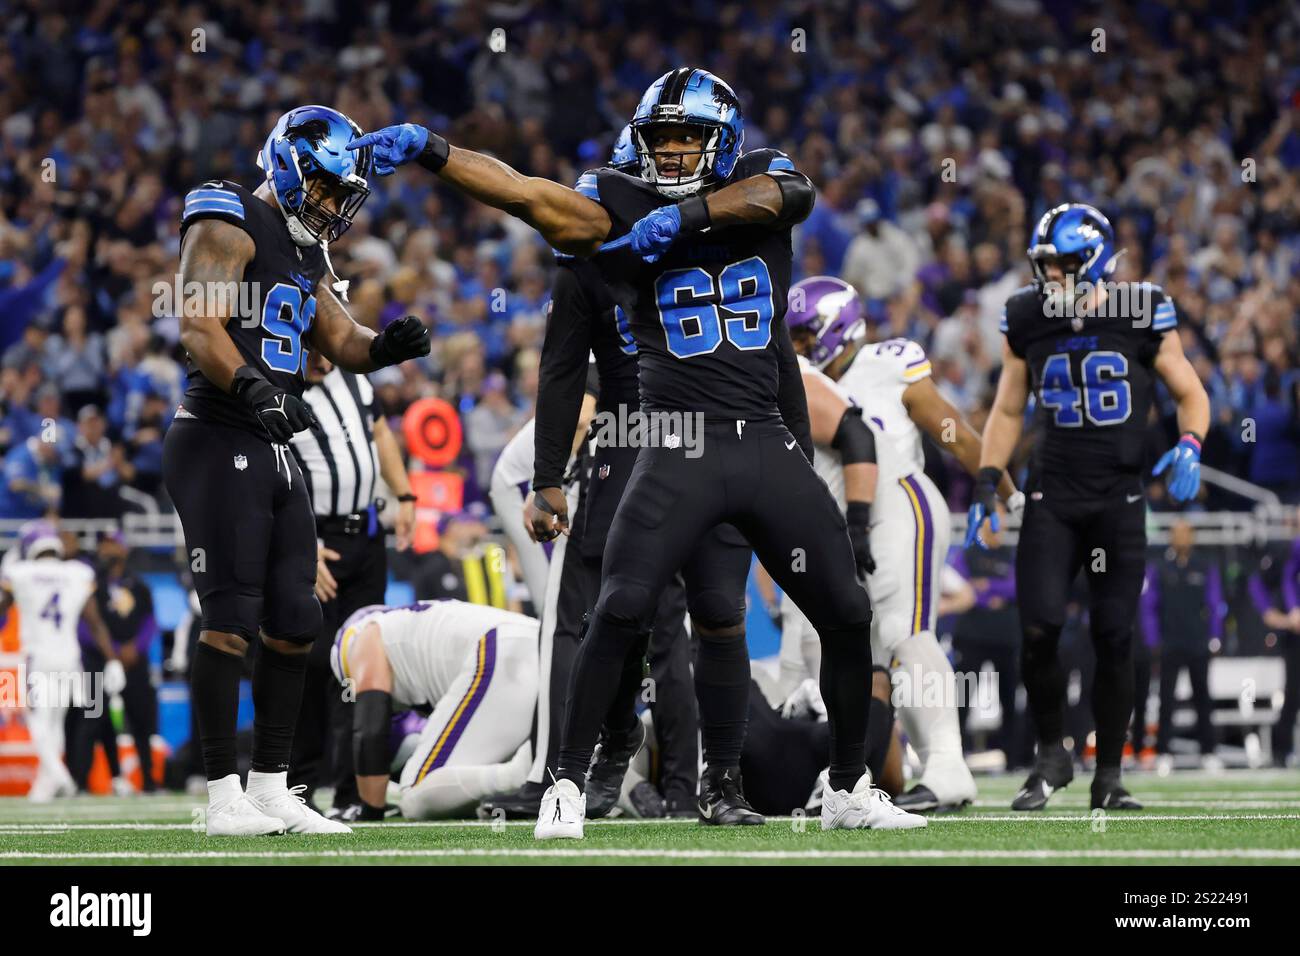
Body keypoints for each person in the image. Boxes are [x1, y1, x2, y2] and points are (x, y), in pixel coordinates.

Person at [350, 66, 925, 836]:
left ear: (722, 142)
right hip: (672, 442)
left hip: (762, 438)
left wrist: (685, 221)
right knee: (617, 609)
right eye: (663, 139)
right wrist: (434, 150)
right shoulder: (617, 200)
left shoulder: (760, 179)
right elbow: (527, 194)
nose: (675, 153)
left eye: (689, 138)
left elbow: (795, 195)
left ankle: (849, 788)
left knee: (847, 614)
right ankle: (564, 783)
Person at [162, 105, 430, 837]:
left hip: (273, 438)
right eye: (322, 185)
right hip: (218, 435)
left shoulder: (307, 251)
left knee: (295, 621)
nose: (331, 204)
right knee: (230, 620)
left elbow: (338, 337)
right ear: (286, 165)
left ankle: (274, 786)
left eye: (342, 192)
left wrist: (385, 348)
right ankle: (222, 799)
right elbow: (196, 321)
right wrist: (251, 386)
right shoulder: (228, 214)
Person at [967, 202, 1211, 810]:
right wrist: (985, 480)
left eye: (1061, 266)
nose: (1050, 278)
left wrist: (1190, 443)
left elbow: (1189, 390)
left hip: (1118, 497)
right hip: (1052, 493)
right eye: (1044, 266)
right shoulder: (1027, 316)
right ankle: (1052, 753)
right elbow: (1005, 407)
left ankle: (1109, 776)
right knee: (1039, 627)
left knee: (1113, 634)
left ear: (1095, 262)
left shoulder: (1141, 308)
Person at [784, 274, 1022, 811]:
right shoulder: (793, 379)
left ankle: (947, 765)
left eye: (804, 335)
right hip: (841, 522)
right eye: (792, 336)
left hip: (898, 508)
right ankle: (863, 772)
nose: (797, 347)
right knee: (850, 650)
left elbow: (951, 429)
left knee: (904, 632)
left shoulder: (887, 364)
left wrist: (1000, 488)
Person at [289, 348, 417, 817]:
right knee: (310, 664)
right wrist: (297, 543)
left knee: (363, 668)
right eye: (311, 354)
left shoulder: (353, 380)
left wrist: (404, 493)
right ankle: (296, 790)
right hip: (317, 545)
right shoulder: (279, 388)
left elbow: (379, 432)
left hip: (364, 541)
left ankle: (353, 795)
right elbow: (270, 469)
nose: (321, 363)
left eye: (326, 351)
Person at [331, 599, 537, 820]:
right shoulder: (421, 629)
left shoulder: (367, 635)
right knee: (464, 781)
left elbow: (370, 729)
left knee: (416, 793)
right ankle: (545, 773)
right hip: (539, 642)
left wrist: (371, 811)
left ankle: (520, 775)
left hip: (501, 652)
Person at [0, 531, 122, 802]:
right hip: (69, 657)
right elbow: (95, 620)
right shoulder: (77, 573)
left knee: (38, 720)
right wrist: (112, 659)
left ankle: (60, 776)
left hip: (38, 656)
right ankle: (43, 787)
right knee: (55, 722)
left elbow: (3, 606)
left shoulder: (20, 572)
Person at [68, 530, 159, 794]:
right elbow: (84, 625)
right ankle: (81, 783)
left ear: (123, 549)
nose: (106, 550)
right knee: (91, 719)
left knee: (141, 721)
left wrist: (134, 648)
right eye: (103, 545)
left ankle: (150, 783)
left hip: (134, 663)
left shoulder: (139, 586)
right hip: (97, 663)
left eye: (111, 545)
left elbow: (150, 622)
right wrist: (112, 652)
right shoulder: (90, 585)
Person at [1143, 520, 1224, 763]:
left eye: (1185, 534)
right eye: (1176, 534)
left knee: (1202, 697)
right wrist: (1153, 638)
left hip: (1197, 642)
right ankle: (1163, 752)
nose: (1181, 539)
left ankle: (1208, 751)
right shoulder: (1159, 567)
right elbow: (1149, 606)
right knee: (1166, 699)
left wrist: (1215, 636)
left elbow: (1215, 602)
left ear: (1192, 537)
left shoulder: (1204, 566)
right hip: (1170, 642)